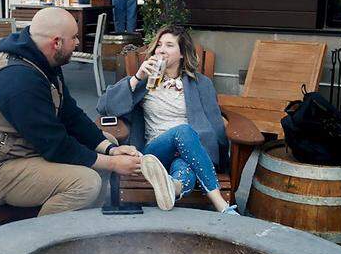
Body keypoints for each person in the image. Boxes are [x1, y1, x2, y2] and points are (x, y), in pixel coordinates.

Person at [0, 6, 143, 215]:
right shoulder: (19, 80)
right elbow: (56, 146)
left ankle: (82, 225)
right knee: (85, 184)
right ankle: (44, 233)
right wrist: (113, 163)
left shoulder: (43, 61)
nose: (78, 42)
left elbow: (71, 116)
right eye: (74, 37)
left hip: (23, 151)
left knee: (107, 141)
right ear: (57, 43)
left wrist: (111, 150)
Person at [96, 25, 237, 214]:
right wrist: (137, 77)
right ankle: (221, 205)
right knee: (183, 130)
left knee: (185, 168)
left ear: (182, 53)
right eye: (159, 45)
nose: (161, 50)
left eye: (169, 45)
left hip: (190, 151)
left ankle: (172, 188)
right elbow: (105, 106)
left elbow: (215, 125)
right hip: (155, 152)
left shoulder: (201, 84)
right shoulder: (143, 81)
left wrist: (218, 155)